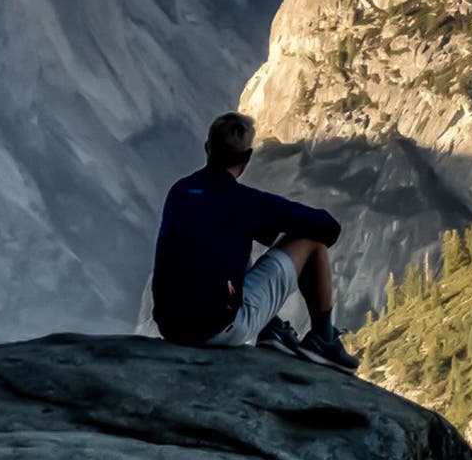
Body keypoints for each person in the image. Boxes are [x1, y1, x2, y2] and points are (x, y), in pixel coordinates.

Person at [149, 112, 359, 373]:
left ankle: (272, 328)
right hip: (215, 330)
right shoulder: (245, 201)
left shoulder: (179, 191)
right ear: (246, 159)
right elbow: (327, 226)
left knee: (222, 243)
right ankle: (323, 339)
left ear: (207, 149)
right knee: (311, 241)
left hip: (171, 326)